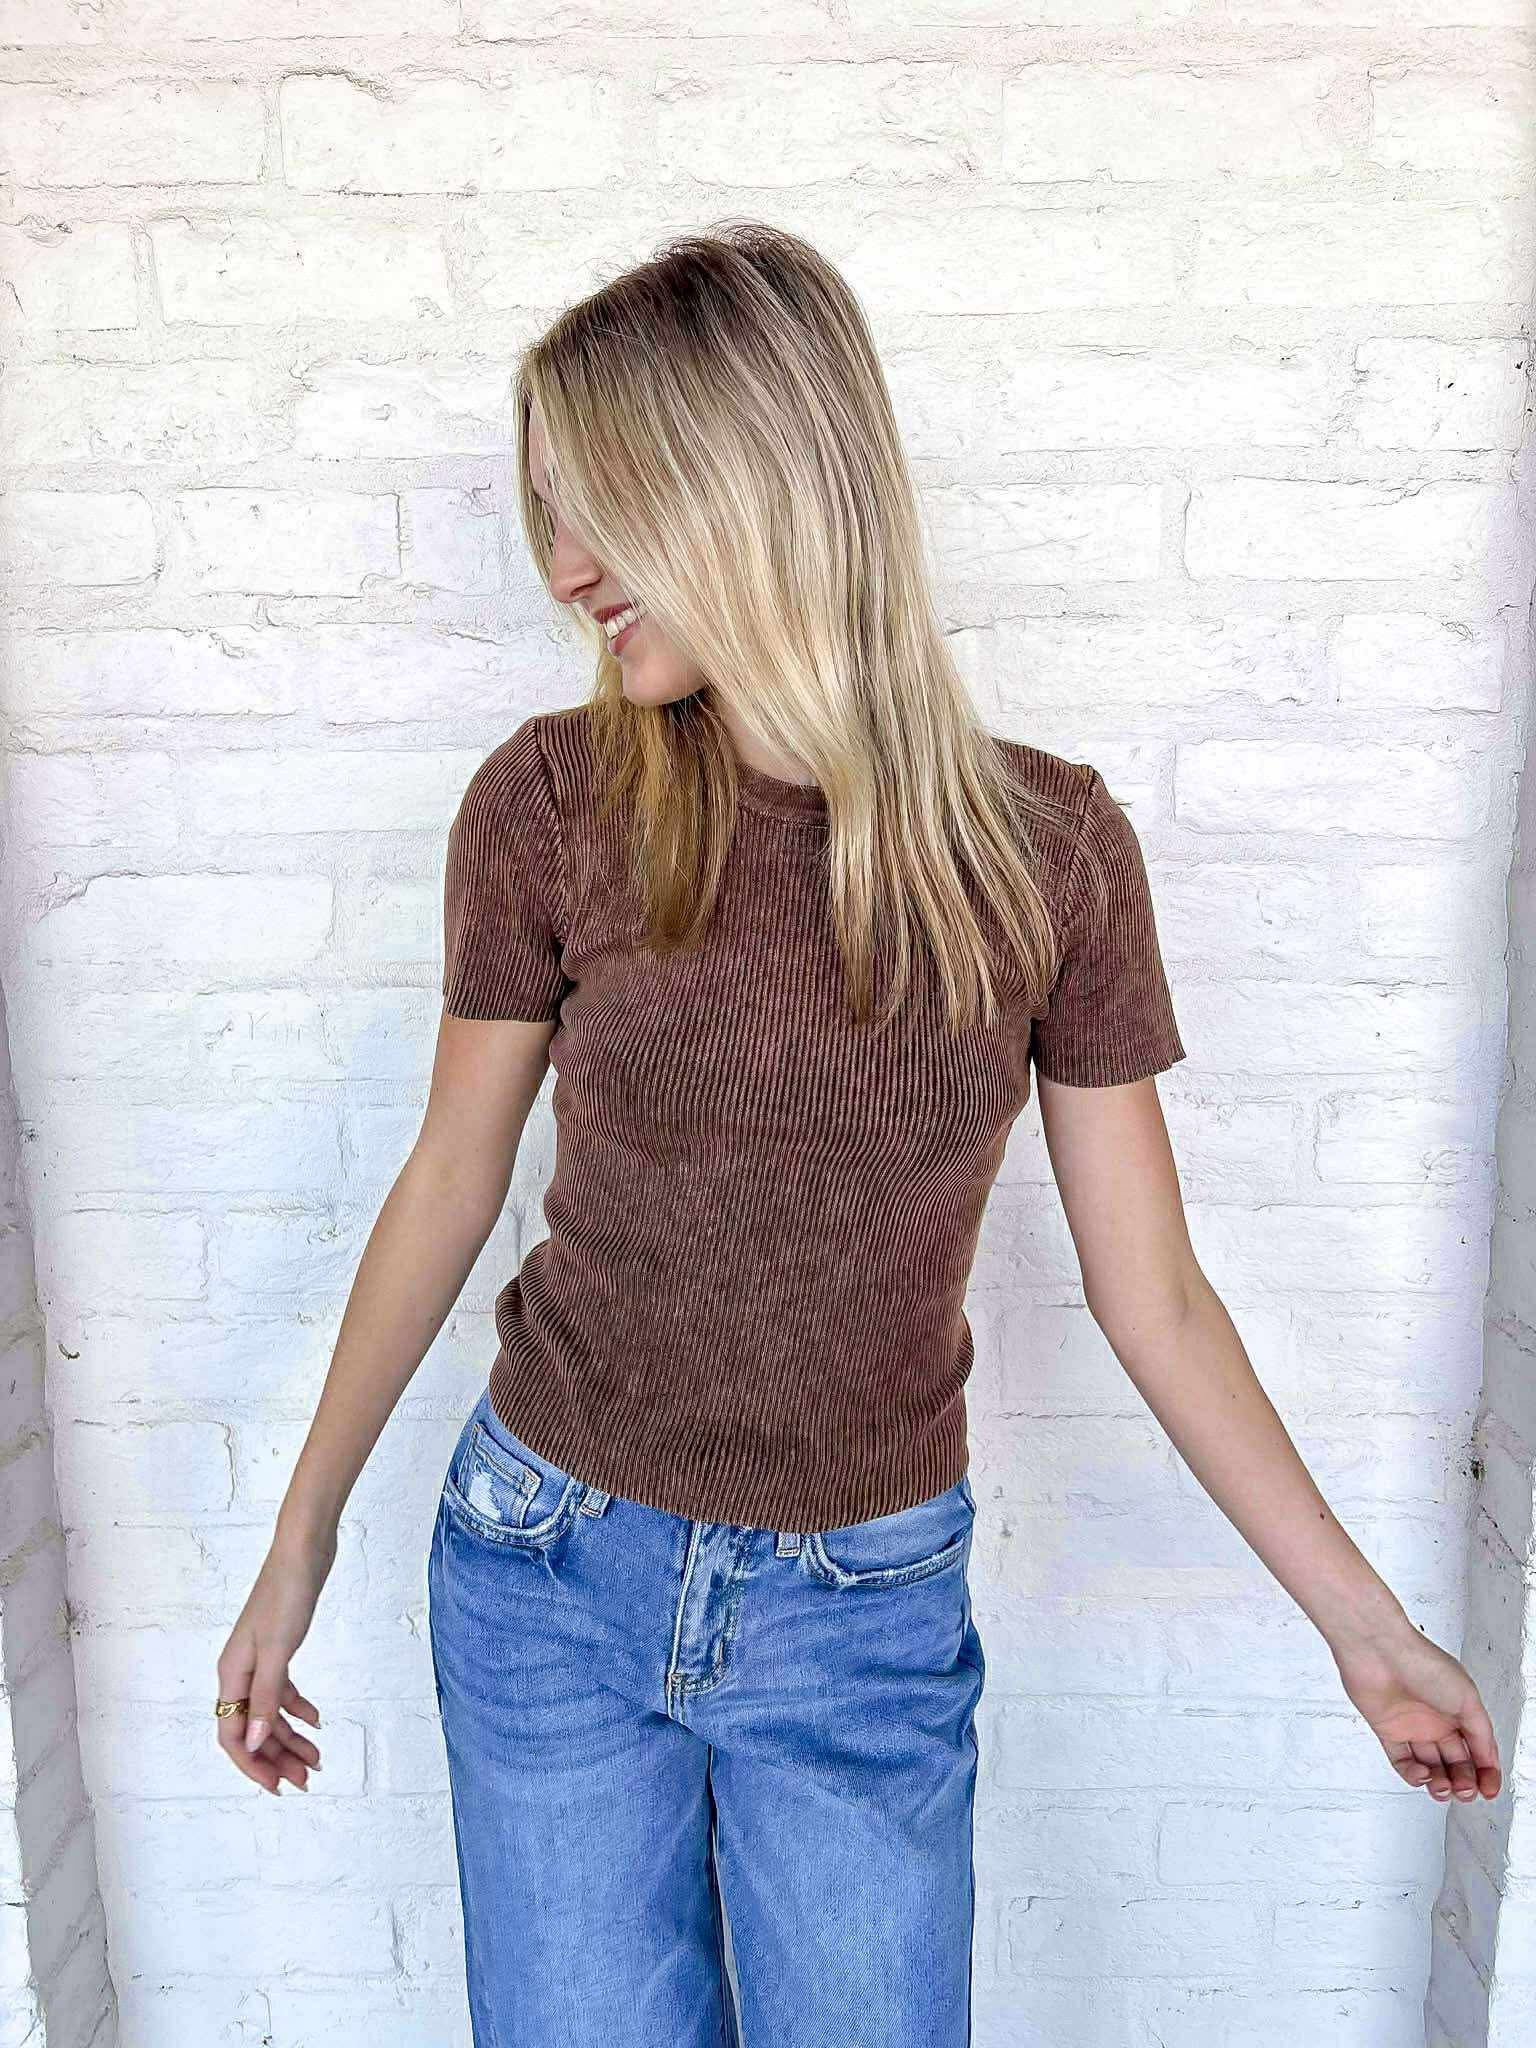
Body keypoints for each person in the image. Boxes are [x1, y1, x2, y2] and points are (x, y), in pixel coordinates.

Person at [213, 220, 1501, 2046]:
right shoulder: (549, 803)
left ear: (752, 485)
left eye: (606, 512)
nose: (566, 570)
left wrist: (1366, 1631)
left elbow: (1157, 1299)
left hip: (859, 1614)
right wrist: (300, 1535)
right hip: (544, 1570)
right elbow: (449, 1178)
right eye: (550, 515)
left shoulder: (1048, 855)